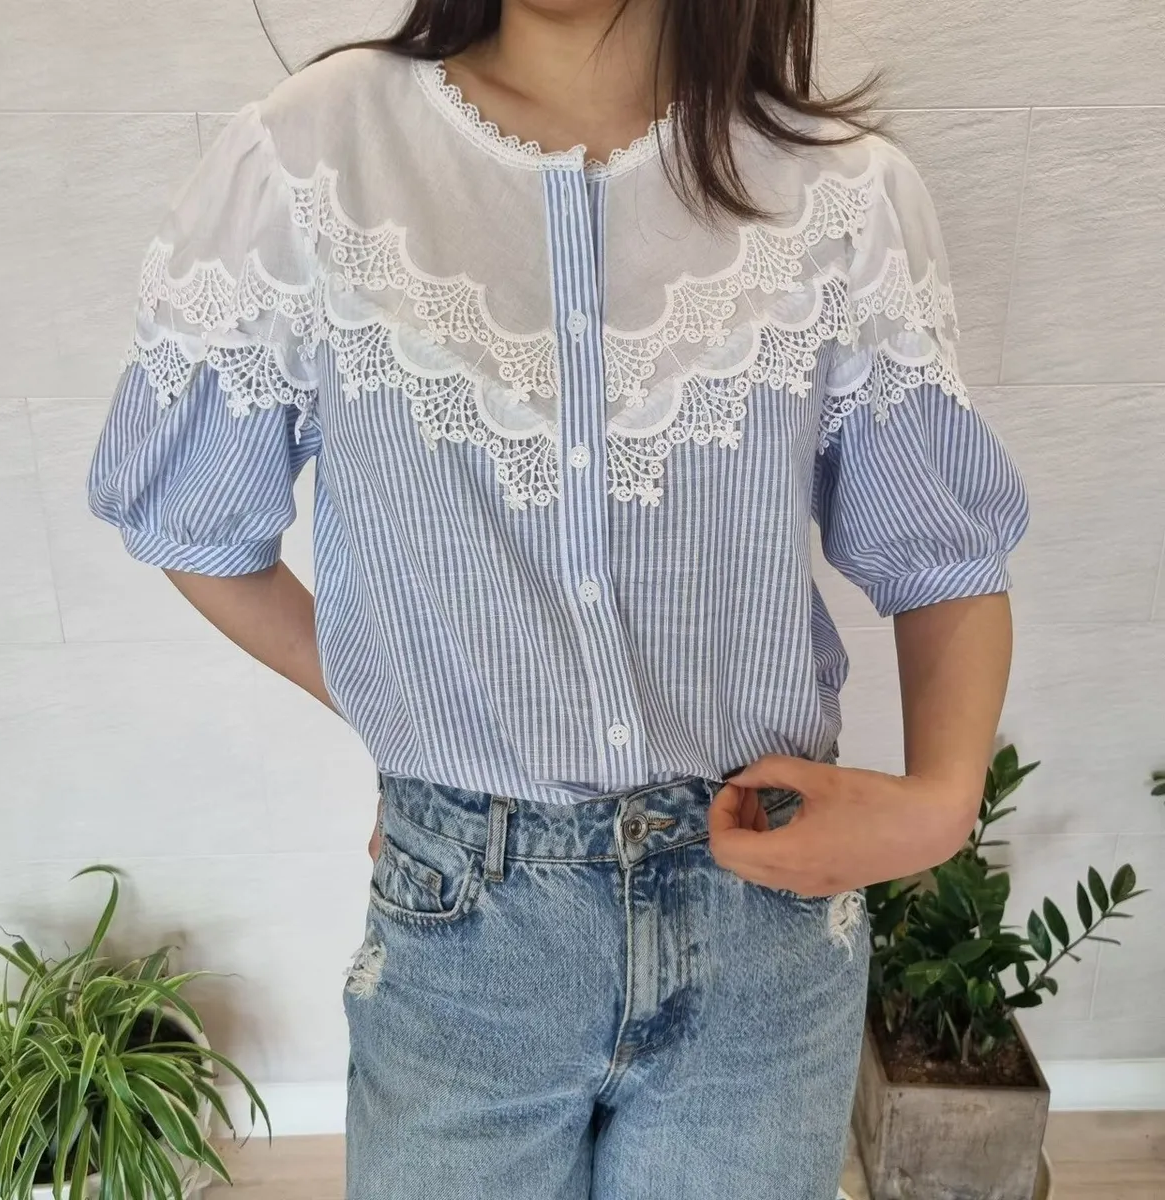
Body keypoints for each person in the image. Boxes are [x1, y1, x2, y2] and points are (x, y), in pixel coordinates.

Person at [86, 0, 1030, 1195]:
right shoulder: (313, 157)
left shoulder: (839, 192)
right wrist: (417, 715)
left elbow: (942, 550)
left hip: (763, 917)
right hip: (468, 934)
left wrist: (941, 805)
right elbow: (193, 523)